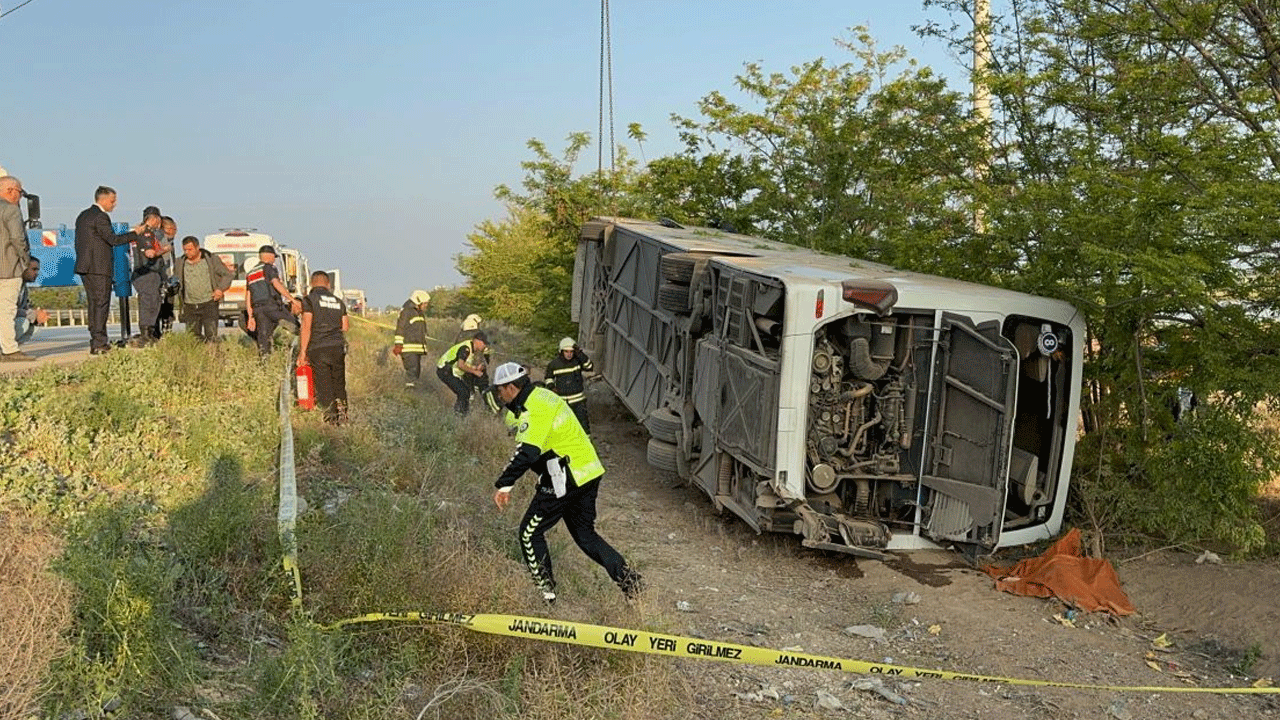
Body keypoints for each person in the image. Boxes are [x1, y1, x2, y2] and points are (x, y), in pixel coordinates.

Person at [490, 362, 642, 604]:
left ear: (510, 387)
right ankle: (631, 583)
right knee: (585, 535)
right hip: (588, 471)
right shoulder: (544, 396)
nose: (499, 395)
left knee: (529, 533)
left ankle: (546, 596)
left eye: (500, 389)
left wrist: (504, 484)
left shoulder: (533, 407)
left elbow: (527, 452)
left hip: (566, 475)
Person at [75, 186, 152, 354]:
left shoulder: (83, 216)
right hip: (99, 268)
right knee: (101, 304)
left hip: (86, 267)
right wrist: (134, 233)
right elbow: (113, 239)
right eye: (112, 200)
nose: (114, 204)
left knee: (94, 304)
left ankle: (96, 340)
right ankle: (100, 343)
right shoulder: (101, 217)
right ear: (102, 200)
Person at [298, 270, 348, 424]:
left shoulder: (309, 300)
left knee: (324, 384)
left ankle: (331, 421)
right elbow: (345, 327)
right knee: (338, 382)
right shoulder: (339, 302)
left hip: (319, 347)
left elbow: (306, 325)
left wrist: (302, 352)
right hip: (337, 347)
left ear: (312, 283)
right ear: (328, 284)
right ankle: (344, 414)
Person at [245, 245, 300, 356]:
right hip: (272, 306)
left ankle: (264, 364)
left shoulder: (250, 273)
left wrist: (250, 317)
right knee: (297, 327)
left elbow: (248, 296)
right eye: (274, 257)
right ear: (269, 256)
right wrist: (292, 299)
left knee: (264, 338)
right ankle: (299, 350)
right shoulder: (269, 267)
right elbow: (276, 283)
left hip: (258, 310)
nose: (274, 259)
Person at [174, 236, 232, 342]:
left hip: (209, 303)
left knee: (211, 335)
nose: (187, 252)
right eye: (185, 250)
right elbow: (176, 280)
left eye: (190, 249)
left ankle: (213, 355)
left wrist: (220, 289)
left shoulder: (211, 259)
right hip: (189, 305)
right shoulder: (179, 262)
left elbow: (227, 275)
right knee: (193, 338)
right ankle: (197, 357)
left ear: (197, 247)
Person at [0, 175, 32, 361]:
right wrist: (26, 262)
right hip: (8, 268)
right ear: (10, 191)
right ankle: (10, 349)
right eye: (20, 193)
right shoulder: (11, 211)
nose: (19, 197)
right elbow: (18, 239)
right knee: (7, 310)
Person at [130, 206, 170, 344]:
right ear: (154, 219)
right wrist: (164, 249)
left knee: (149, 302)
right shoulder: (147, 233)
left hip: (141, 273)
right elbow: (150, 253)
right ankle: (146, 334)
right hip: (147, 272)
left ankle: (148, 333)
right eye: (158, 219)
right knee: (150, 303)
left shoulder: (136, 231)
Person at [545, 336, 595, 434]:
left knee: (583, 425)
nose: (569, 354)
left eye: (571, 352)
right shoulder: (554, 364)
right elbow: (548, 378)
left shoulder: (577, 361)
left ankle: (587, 444)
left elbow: (589, 367)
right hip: (563, 402)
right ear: (561, 352)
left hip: (578, 401)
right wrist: (551, 387)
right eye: (566, 352)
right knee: (563, 427)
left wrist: (580, 354)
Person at [435, 331, 489, 414]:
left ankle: (461, 414)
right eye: (484, 343)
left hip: (450, 370)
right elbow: (461, 365)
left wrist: (475, 368)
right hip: (445, 370)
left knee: (465, 392)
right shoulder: (466, 348)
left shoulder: (471, 349)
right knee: (463, 392)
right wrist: (475, 372)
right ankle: (459, 415)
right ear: (477, 341)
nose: (485, 346)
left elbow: (464, 364)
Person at [392, 289, 431, 387]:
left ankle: (414, 391)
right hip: (408, 349)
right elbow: (400, 328)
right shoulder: (406, 312)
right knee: (412, 373)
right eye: (425, 303)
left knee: (416, 372)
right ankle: (410, 393)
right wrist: (398, 345)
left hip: (417, 349)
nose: (426, 305)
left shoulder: (419, 312)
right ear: (418, 301)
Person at [14, 258, 48, 346]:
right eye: (33, 269)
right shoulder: (10, 286)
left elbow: (24, 309)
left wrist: (39, 317)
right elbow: (8, 310)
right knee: (23, 323)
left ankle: (8, 350)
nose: (36, 273)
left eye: (37, 270)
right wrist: (33, 314)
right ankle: (8, 349)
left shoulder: (23, 288)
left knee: (34, 327)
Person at [155, 215, 179, 336]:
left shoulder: (171, 243)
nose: (173, 231)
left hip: (170, 280)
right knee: (159, 308)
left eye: (174, 229)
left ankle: (167, 333)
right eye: (169, 228)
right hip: (159, 280)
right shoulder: (159, 241)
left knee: (168, 308)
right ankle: (156, 333)